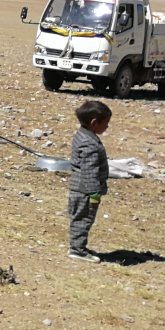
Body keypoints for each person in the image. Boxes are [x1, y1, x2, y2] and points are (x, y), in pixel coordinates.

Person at [69, 100, 111, 262]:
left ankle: (78, 246)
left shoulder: (82, 134)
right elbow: (90, 171)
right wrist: (94, 194)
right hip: (85, 190)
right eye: (106, 122)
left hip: (78, 187)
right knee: (83, 219)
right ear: (94, 123)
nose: (107, 126)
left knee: (79, 218)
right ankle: (77, 250)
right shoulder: (89, 144)